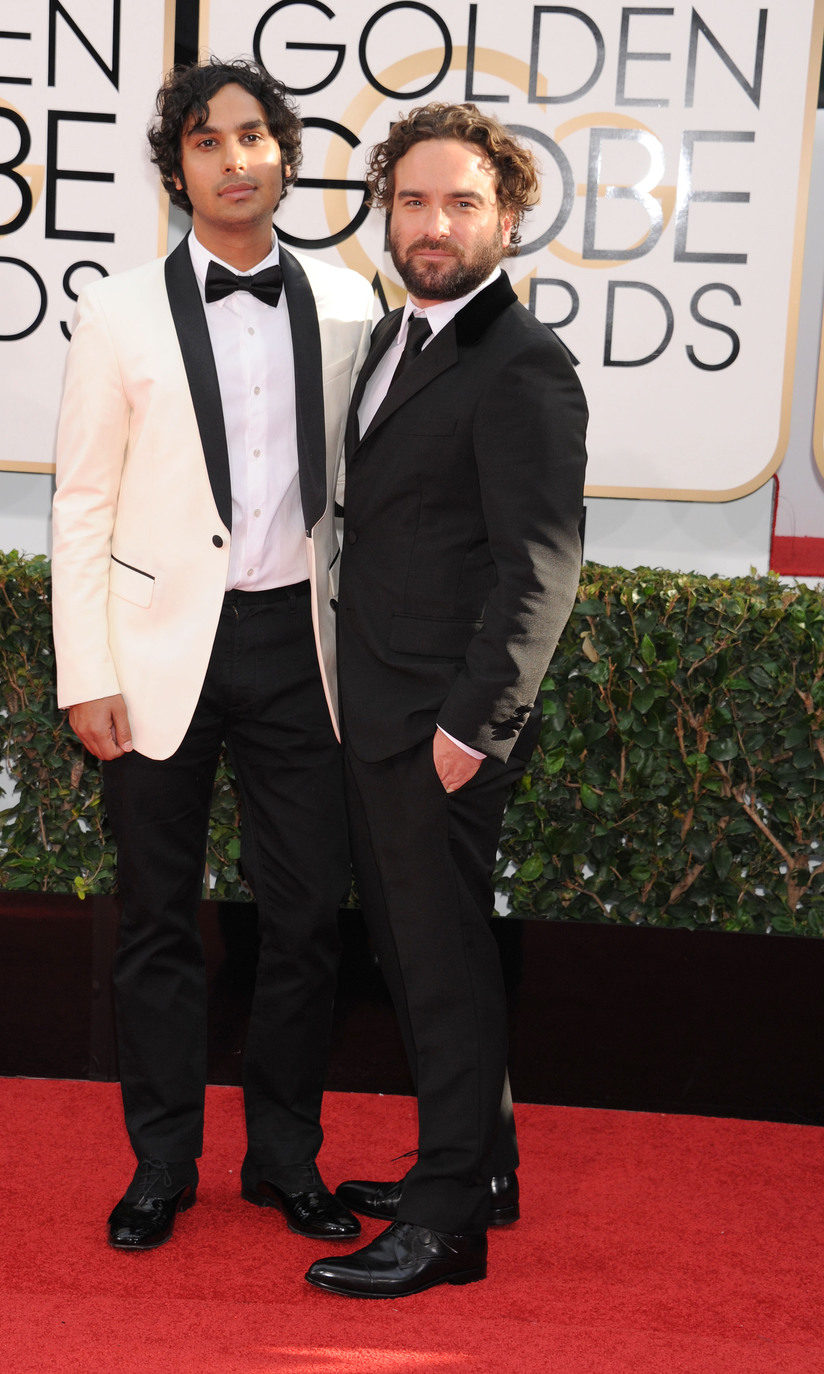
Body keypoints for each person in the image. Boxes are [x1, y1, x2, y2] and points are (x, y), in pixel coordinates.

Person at [52, 58, 374, 1251]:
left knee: (304, 923)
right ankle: (162, 1167)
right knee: (155, 922)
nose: (235, 159)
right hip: (151, 655)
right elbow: (83, 500)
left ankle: (286, 1160)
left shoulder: (350, 304)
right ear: (176, 168)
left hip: (306, 647)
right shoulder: (120, 309)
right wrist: (86, 669)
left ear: (285, 156)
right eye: (207, 141)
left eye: (255, 136)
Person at [305, 102, 588, 1298]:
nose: (434, 224)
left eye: (462, 202)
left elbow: (541, 566)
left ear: (508, 218)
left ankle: (446, 1228)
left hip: (441, 728)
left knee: (438, 966)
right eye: (414, 200)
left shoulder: (524, 366)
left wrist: (476, 727)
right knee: (433, 952)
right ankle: (482, 1171)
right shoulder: (392, 339)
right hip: (375, 706)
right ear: (387, 211)